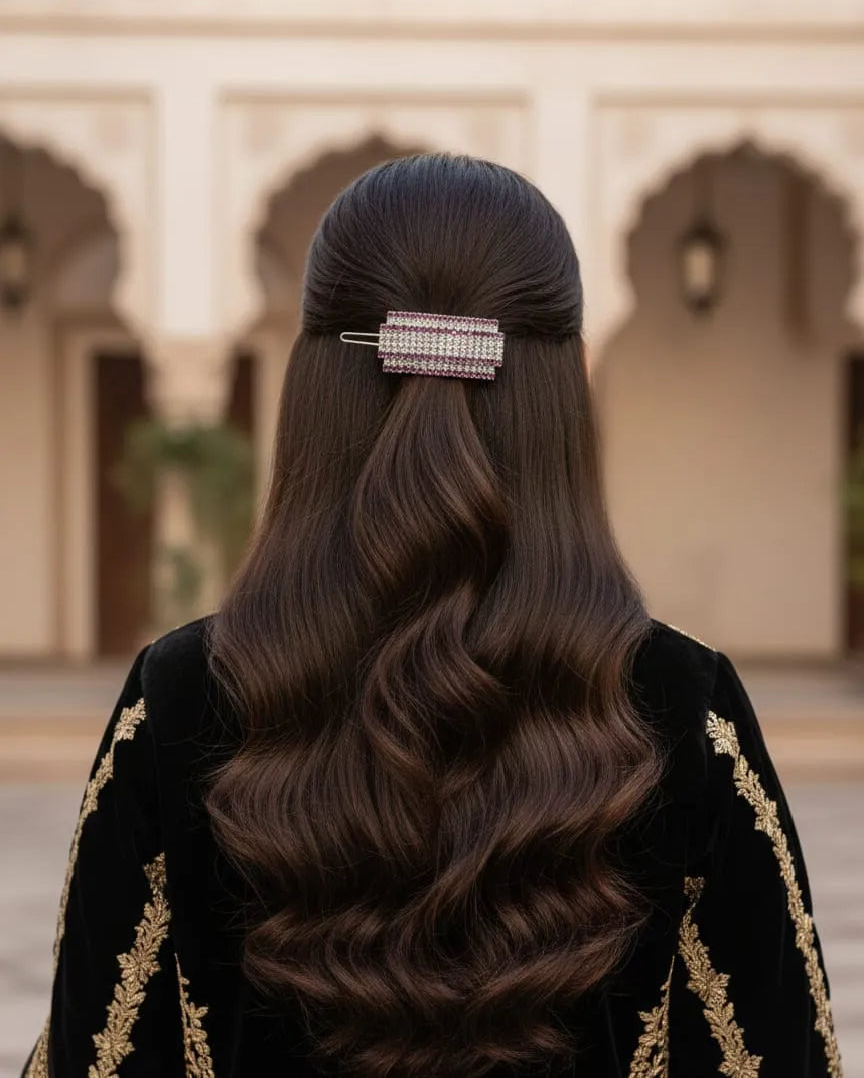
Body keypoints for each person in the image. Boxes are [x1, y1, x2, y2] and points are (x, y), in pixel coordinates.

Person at [23, 153, 841, 1078]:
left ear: (311, 387)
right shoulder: (686, 709)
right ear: (566, 385)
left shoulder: (177, 702)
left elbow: (100, 1050)